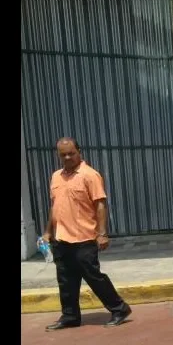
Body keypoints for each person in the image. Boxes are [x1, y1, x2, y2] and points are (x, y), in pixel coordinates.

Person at [42, 138, 132, 331]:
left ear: (79, 151)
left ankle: (119, 308)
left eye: (71, 153)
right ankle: (70, 316)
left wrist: (102, 233)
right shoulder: (56, 176)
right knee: (66, 279)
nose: (67, 157)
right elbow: (55, 206)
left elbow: (100, 204)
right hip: (61, 237)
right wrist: (48, 231)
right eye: (63, 154)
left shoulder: (89, 175)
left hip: (84, 237)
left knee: (93, 276)